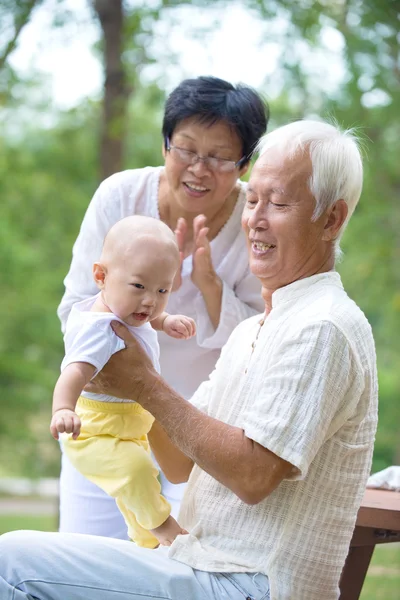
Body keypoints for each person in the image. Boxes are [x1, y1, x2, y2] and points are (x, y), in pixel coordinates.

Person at [0, 119, 378, 600]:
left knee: (11, 563)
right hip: (199, 563)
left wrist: (145, 385)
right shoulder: (253, 329)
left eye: (278, 203)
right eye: (253, 198)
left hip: (249, 584)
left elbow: (253, 475)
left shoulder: (322, 326)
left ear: (331, 219)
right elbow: (179, 465)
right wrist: (123, 383)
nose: (254, 218)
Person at [57, 75, 268, 536]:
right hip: (105, 413)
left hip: (199, 426)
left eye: (219, 157)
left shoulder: (255, 221)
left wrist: (212, 289)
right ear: (165, 146)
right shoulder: (121, 196)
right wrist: (122, 362)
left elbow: (261, 340)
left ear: (245, 164)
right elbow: (75, 305)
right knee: (86, 558)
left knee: (175, 559)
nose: (199, 169)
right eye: (187, 150)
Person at [50, 216, 195, 548]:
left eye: (163, 290)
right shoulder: (97, 329)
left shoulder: (126, 308)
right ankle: (163, 525)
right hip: (95, 429)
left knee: (138, 489)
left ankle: (145, 542)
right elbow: (72, 372)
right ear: (101, 276)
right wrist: (62, 409)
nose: (151, 301)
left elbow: (147, 316)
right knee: (136, 472)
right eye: (139, 286)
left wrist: (166, 320)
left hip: (130, 420)